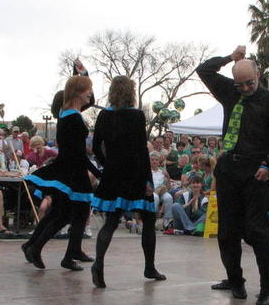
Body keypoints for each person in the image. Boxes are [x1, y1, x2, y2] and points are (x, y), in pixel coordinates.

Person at [197, 45, 269, 305]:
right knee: (227, 232)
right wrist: (230, 57)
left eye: (249, 82)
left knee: (257, 231)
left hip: (255, 172)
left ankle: (268, 287)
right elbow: (204, 70)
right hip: (229, 169)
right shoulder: (230, 92)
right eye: (240, 84)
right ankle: (235, 280)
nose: (244, 88)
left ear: (258, 75)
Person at [90, 76, 166, 287]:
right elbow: (141, 150)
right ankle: (149, 267)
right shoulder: (136, 116)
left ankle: (98, 264)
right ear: (131, 92)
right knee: (149, 219)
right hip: (135, 175)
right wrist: (147, 182)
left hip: (113, 175)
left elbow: (96, 147)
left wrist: (108, 165)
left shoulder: (104, 115)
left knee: (111, 222)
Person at [23, 76, 98, 270]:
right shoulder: (72, 116)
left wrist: (82, 73)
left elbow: (91, 101)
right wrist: (96, 172)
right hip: (72, 170)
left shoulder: (66, 113)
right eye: (88, 89)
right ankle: (44, 249)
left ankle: (39, 246)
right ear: (78, 92)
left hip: (67, 168)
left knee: (62, 212)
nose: (90, 93)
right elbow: (78, 152)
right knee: (72, 212)